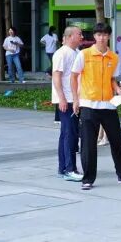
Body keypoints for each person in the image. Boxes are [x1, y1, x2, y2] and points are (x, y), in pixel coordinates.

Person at [72, 23, 121, 190]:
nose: (101, 38)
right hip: (89, 104)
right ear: (94, 36)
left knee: (116, 141)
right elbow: (73, 77)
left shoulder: (113, 57)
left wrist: (118, 89)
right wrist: (75, 100)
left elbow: (111, 79)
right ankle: (88, 179)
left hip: (109, 106)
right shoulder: (84, 54)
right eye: (98, 35)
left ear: (109, 36)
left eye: (104, 35)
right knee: (88, 144)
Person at [52, 26, 83, 181]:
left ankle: (63, 168)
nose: (82, 36)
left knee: (67, 133)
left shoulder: (76, 52)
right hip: (67, 100)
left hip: (74, 98)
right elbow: (56, 76)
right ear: (70, 36)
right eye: (79, 34)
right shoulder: (61, 53)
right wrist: (62, 98)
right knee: (70, 134)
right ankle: (70, 169)